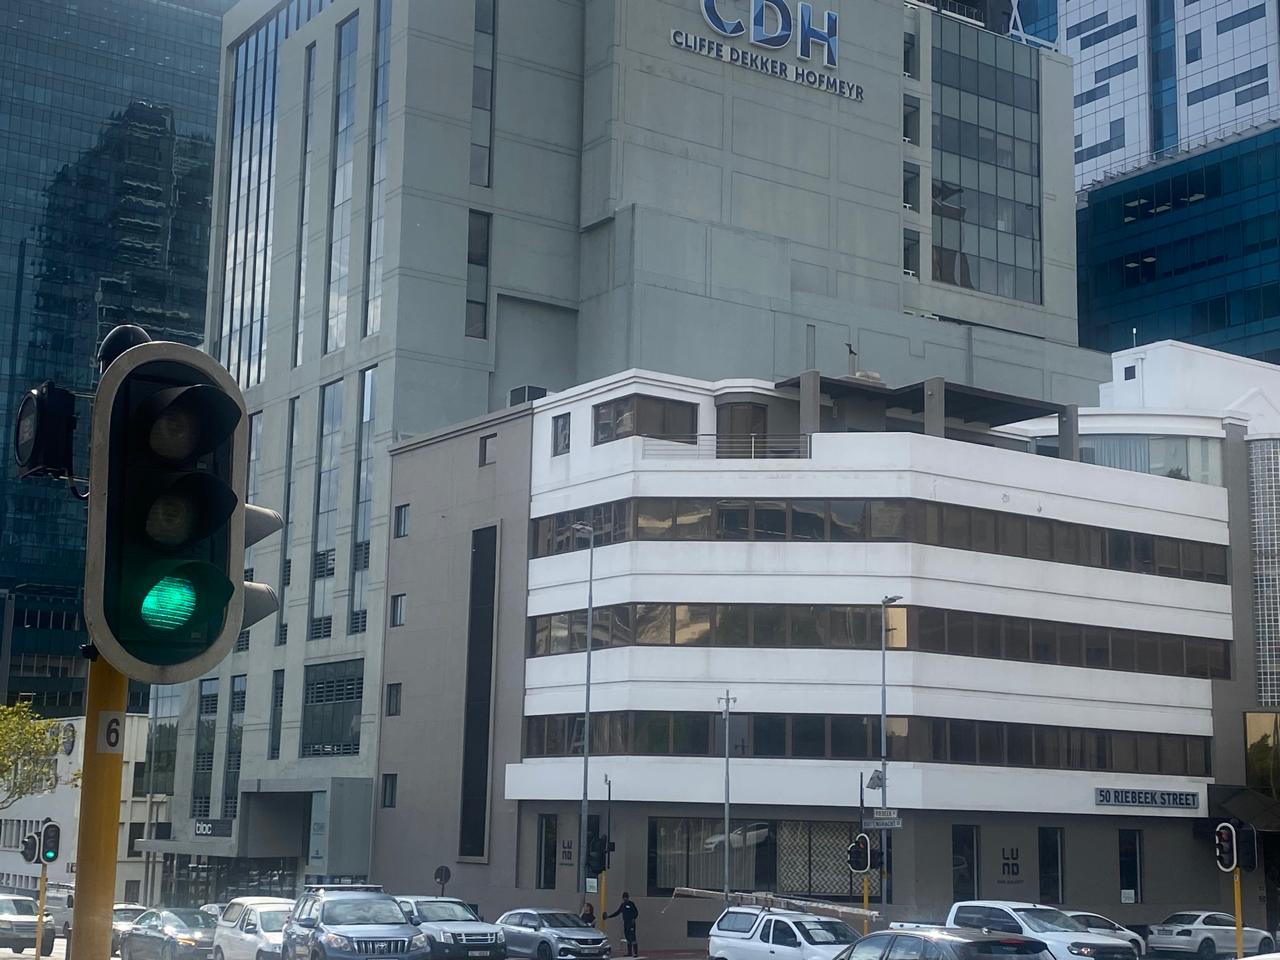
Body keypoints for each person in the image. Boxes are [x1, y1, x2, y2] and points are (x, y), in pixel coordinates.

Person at [606, 893, 639, 957]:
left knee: (633, 937)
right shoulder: (623, 905)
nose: (625, 898)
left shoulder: (631, 904)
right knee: (627, 937)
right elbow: (617, 912)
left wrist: (634, 918)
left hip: (631, 923)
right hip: (626, 922)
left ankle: (635, 953)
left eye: (626, 897)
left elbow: (636, 912)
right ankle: (629, 952)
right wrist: (609, 916)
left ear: (628, 897)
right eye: (624, 897)